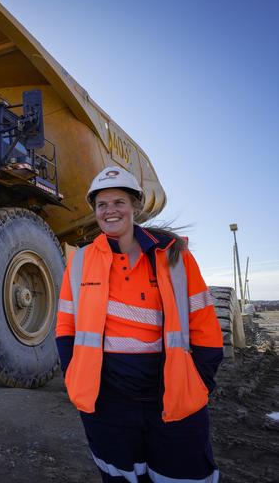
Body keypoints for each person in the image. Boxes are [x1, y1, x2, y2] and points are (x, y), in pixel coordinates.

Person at [56, 166, 223, 482]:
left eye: (119, 202)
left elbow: (203, 323)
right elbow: (66, 324)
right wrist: (72, 375)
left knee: (183, 475)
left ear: (136, 207)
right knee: (119, 475)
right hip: (106, 402)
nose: (110, 211)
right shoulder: (79, 261)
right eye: (102, 205)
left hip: (172, 396)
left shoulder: (174, 257)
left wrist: (199, 382)